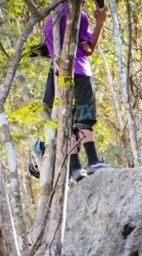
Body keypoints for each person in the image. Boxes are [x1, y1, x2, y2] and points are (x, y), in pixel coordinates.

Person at [42, 0, 108, 181]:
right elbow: (89, 50)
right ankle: (93, 160)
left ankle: (75, 166)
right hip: (78, 70)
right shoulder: (78, 14)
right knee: (85, 115)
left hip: (56, 74)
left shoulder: (51, 17)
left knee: (66, 117)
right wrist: (101, 21)